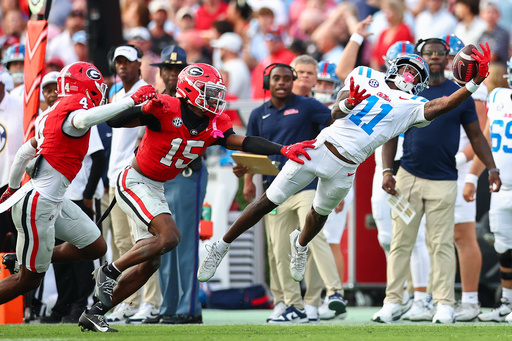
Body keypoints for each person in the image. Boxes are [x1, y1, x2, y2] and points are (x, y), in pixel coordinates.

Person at [197, 41, 499, 324]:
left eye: (416, 74)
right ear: (395, 65)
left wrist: (472, 84)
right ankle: (221, 246)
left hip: (347, 167)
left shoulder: (412, 104)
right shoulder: (366, 75)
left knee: (319, 215)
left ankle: (299, 245)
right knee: (268, 201)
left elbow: (443, 104)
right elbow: (335, 110)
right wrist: (347, 104)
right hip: (319, 149)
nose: (409, 75)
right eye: (407, 68)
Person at [78, 62, 315, 333]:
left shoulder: (214, 122)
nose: (215, 98)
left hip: (155, 187)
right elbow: (113, 121)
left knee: (150, 264)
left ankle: (95, 312)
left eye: (217, 92)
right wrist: (138, 106)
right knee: (169, 238)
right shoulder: (166, 106)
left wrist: (283, 149)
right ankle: (108, 272)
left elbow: (244, 142)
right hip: (133, 180)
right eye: (209, 92)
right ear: (190, 90)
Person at [0, 61, 155, 308]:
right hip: (40, 203)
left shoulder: (49, 113)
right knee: (28, 281)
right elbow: (82, 120)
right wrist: (130, 100)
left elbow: (22, 154)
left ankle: (28, 257)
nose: (100, 93)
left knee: (95, 247)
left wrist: (12, 188)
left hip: (52, 199)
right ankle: (28, 261)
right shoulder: (75, 111)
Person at [374, 38, 499, 324]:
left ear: (449, 58)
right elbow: (391, 134)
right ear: (419, 57)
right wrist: (387, 171)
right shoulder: (406, 91)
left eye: (439, 53)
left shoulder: (460, 93)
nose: (433, 57)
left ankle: (443, 303)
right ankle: (393, 301)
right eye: (428, 53)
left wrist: (492, 168)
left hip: (444, 178)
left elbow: (477, 136)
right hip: (408, 174)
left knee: (441, 243)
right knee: (400, 242)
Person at [144, 45, 205, 325]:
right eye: (166, 68)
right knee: (164, 242)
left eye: (176, 68)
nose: (170, 73)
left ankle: (189, 307)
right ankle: (168, 305)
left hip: (187, 173)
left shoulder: (195, 101)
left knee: (186, 242)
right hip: (160, 177)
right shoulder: (159, 100)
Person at [39, 71, 106, 324]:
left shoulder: (80, 115)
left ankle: (81, 303)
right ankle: (63, 304)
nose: (52, 93)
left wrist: (89, 195)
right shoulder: (45, 118)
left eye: (56, 87)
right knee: (60, 254)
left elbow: (98, 158)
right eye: (47, 89)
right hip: (54, 196)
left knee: (82, 253)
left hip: (78, 195)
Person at [105, 44, 161, 323]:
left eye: (127, 62)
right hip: (115, 177)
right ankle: (127, 300)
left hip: (135, 177)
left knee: (143, 241)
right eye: (118, 62)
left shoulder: (147, 92)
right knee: (122, 243)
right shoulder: (117, 94)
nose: (122, 67)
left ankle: (150, 302)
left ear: (139, 64)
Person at [441, 33, 489, 322]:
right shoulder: (430, 83)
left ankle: (470, 300)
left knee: (462, 235)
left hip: (458, 166)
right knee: (429, 237)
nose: (446, 61)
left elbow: (481, 133)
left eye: (451, 56)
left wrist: (463, 163)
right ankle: (427, 297)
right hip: (434, 166)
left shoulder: (475, 88)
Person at [466, 56, 512, 323]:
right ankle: (506, 302)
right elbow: (486, 138)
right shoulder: (498, 97)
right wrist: (472, 176)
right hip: (501, 188)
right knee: (504, 247)